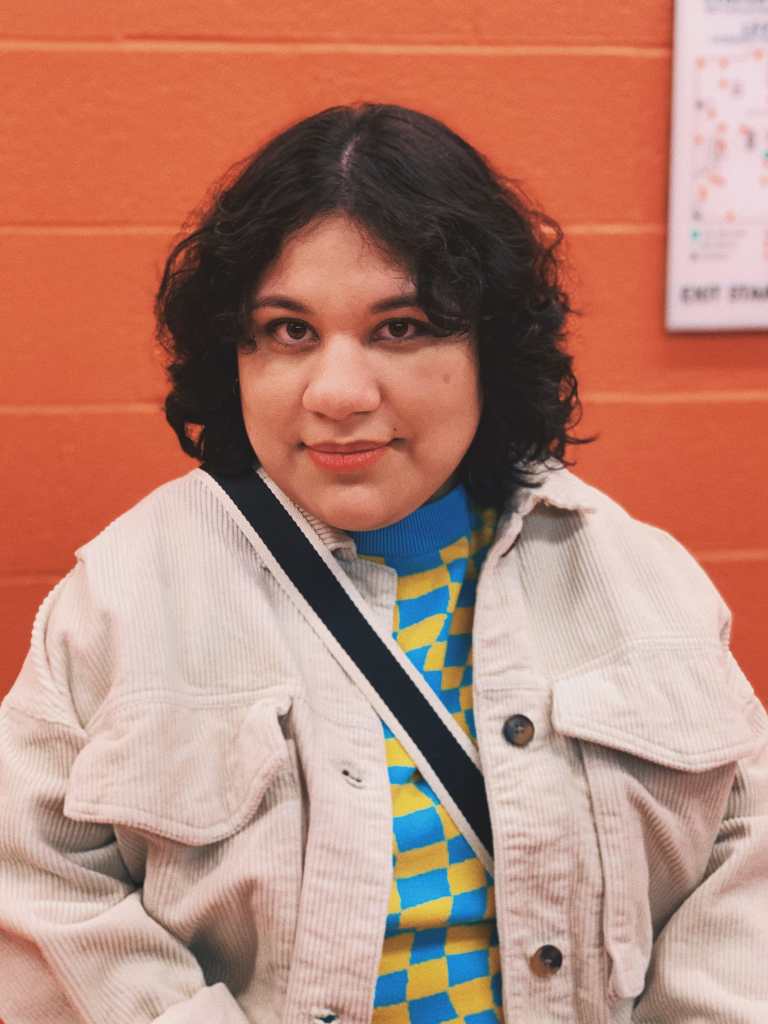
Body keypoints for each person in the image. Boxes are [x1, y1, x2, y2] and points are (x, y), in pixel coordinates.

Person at [1, 102, 766, 1024]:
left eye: (400, 328)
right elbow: (35, 890)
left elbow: (745, 860)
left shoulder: (636, 577)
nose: (337, 393)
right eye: (289, 331)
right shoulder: (122, 597)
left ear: (488, 345)